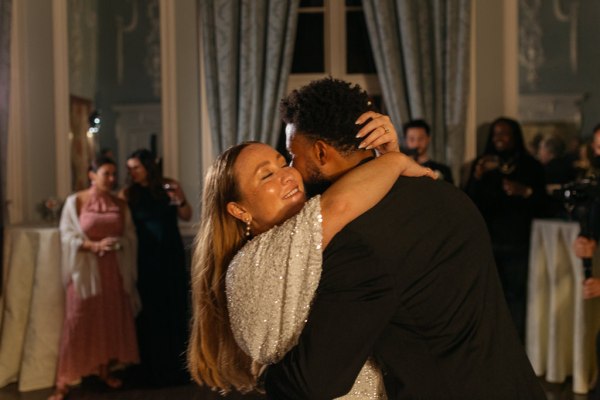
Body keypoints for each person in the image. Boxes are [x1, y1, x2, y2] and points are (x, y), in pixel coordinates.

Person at [262, 78, 545, 399]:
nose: (290, 168)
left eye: (291, 155)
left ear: (321, 152)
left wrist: (257, 374)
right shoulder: (446, 194)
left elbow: (314, 381)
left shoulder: (357, 239)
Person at [188, 117, 434, 397]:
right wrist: (394, 160)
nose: (287, 174)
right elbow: (339, 204)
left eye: (284, 163)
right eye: (266, 175)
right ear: (239, 210)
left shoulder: (301, 242)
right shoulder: (257, 259)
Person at [51, 157, 139, 400]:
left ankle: (104, 369)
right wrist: (92, 245)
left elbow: (130, 235)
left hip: (113, 270)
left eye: (114, 174)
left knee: (108, 319)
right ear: (92, 175)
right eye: (106, 174)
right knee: (77, 320)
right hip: (85, 270)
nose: (111, 179)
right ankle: (64, 380)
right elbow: (66, 235)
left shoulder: (120, 204)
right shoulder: (76, 201)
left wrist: (119, 243)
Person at [464, 117, 548, 342]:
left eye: (504, 134)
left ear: (515, 136)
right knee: (487, 296)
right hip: (488, 241)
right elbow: (468, 203)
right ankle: (489, 343)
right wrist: (477, 178)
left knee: (515, 297)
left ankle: (514, 345)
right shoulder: (482, 165)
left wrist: (525, 192)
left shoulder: (530, 166)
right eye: (495, 134)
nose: (498, 139)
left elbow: (545, 204)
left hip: (517, 243)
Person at [119, 149, 192, 386]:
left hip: (170, 254)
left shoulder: (168, 186)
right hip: (144, 257)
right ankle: (150, 368)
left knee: (175, 307)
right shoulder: (128, 193)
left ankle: (177, 367)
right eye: (129, 168)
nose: (131, 172)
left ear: (149, 167)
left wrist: (180, 198)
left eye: (136, 167)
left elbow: (186, 214)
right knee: (150, 311)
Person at [402, 119, 454, 184]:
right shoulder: (402, 171)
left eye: (421, 138)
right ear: (406, 140)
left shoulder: (443, 170)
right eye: (411, 139)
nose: (416, 143)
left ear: (428, 139)